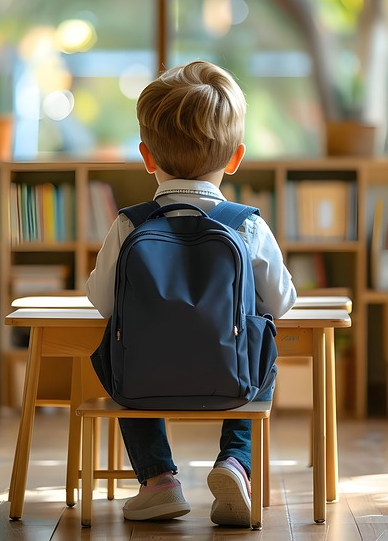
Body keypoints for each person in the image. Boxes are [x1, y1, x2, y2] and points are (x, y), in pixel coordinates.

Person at [86, 60, 296, 527]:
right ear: (236, 157)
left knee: (121, 351)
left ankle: (158, 480)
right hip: (231, 379)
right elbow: (281, 302)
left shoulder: (129, 224)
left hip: (145, 381)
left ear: (147, 156)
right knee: (265, 343)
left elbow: (102, 303)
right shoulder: (246, 224)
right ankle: (236, 462)